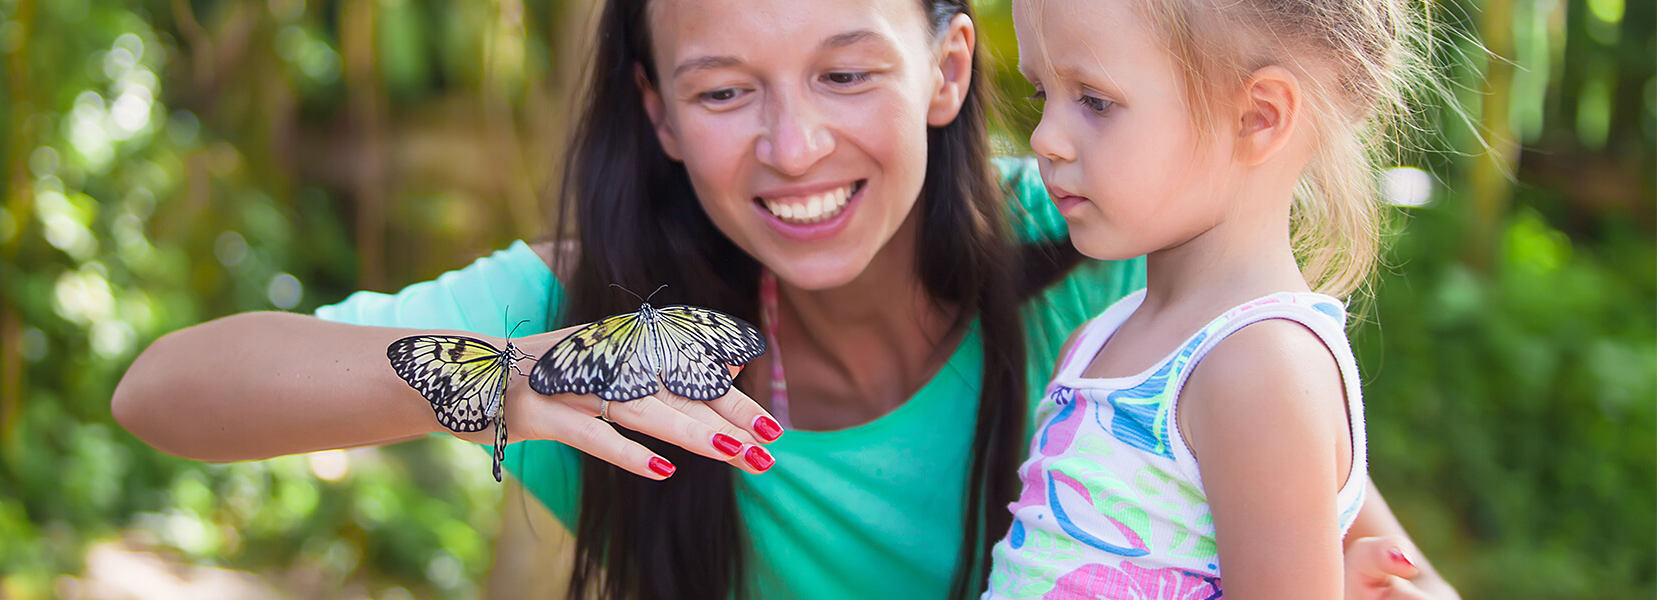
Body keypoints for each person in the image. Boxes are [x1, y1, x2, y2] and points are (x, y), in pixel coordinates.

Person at [112, 1, 1457, 598]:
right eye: (722, 91)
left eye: (847, 73)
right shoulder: (604, 320)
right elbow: (166, 391)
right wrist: (515, 378)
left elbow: (1360, 551)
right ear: (656, 112)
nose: (795, 147)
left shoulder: (1108, 240)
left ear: (948, 69)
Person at [983, 0, 1447, 598]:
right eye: (1042, 92)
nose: (1044, 138)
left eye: (1095, 101)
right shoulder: (1093, 343)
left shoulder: (1261, 368)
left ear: (1257, 117)